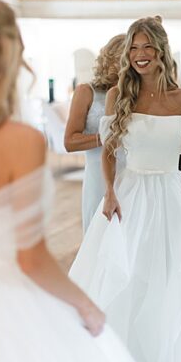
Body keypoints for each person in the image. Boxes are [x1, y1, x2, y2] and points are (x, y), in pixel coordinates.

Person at [0, 0, 142, 362]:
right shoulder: (20, 140)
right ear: (6, 57)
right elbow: (30, 258)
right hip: (6, 297)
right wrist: (86, 306)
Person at [69, 16, 181, 362]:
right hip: (129, 193)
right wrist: (109, 193)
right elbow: (109, 153)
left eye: (146, 47)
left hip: (174, 193)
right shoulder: (117, 95)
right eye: (134, 48)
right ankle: (126, 360)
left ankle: (167, 359)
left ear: (161, 49)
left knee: (172, 274)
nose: (140, 55)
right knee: (128, 273)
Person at [64, 33, 125, 234]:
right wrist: (108, 136)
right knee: (97, 234)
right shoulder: (86, 91)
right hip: (98, 174)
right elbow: (70, 141)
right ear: (112, 59)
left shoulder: (135, 94)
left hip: (131, 173)